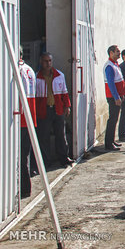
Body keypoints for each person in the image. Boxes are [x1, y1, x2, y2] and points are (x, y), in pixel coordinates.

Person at [35, 52, 74, 167]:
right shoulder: (37, 77)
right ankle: (46, 162)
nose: (48, 64)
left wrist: (67, 106)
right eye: (45, 61)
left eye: (50, 61)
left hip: (58, 109)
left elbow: (64, 92)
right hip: (44, 110)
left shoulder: (59, 75)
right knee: (44, 136)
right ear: (41, 62)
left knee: (61, 135)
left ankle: (64, 158)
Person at [18, 46, 37, 197]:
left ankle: (24, 188)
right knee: (26, 153)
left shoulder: (18, 70)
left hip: (20, 117)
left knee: (21, 154)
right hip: (29, 116)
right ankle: (26, 186)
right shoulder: (30, 69)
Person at [103, 45, 125, 151]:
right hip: (113, 98)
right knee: (112, 120)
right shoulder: (109, 66)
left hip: (117, 96)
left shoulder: (115, 64)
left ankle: (112, 141)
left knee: (115, 119)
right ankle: (108, 144)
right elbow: (111, 84)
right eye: (117, 52)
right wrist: (116, 97)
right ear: (111, 53)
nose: (119, 53)